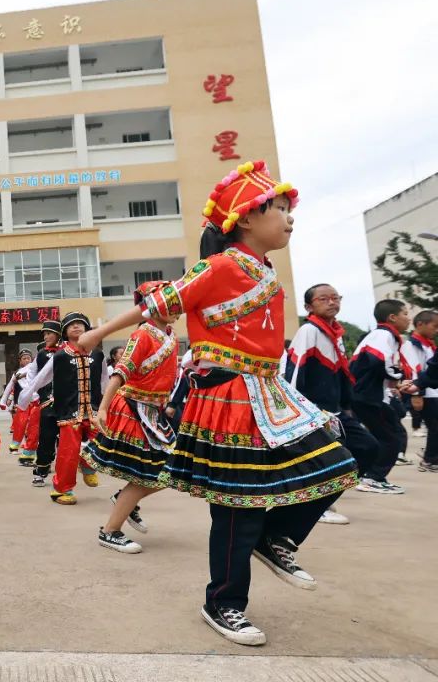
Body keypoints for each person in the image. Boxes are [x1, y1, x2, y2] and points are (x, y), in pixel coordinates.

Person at [77, 161, 356, 647]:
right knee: (236, 508)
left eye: (291, 211)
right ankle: (224, 603)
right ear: (246, 219)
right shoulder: (220, 266)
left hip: (270, 392)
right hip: (228, 397)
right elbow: (157, 304)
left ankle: (277, 540)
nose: (290, 219)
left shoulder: (264, 270)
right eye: (280, 209)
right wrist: (99, 333)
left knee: (341, 462)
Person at [83, 283, 179, 552]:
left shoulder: (169, 334)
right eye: (169, 301)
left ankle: (122, 499)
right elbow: (120, 372)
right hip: (133, 410)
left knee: (173, 469)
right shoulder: (143, 335)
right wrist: (103, 407)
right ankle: (110, 531)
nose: (176, 306)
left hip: (153, 413)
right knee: (150, 473)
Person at [284, 284, 380, 524]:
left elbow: (340, 375)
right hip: (314, 412)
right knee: (325, 461)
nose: (331, 302)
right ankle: (316, 506)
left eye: (335, 298)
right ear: (309, 306)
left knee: (367, 447)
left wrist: (347, 405)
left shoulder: (334, 334)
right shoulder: (309, 331)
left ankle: (320, 501)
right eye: (323, 299)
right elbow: (294, 372)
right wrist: (299, 411)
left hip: (334, 411)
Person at [18, 312, 100, 504]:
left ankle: (88, 466)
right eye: (72, 325)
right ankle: (62, 490)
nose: (77, 327)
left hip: (94, 409)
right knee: (67, 452)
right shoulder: (60, 355)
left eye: (81, 323)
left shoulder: (97, 353)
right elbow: (40, 378)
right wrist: (26, 398)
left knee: (100, 443)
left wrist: (108, 403)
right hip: (68, 411)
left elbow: (104, 380)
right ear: (64, 331)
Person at [348, 299, 411, 494]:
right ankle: (372, 477)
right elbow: (379, 361)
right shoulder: (383, 335)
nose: (408, 319)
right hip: (366, 396)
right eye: (405, 314)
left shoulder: (383, 335)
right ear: (392, 317)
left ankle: (368, 475)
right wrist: (399, 376)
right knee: (391, 437)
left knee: (389, 435)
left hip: (368, 395)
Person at [24, 322, 62, 477]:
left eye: (49, 333)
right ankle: (42, 468)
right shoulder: (41, 355)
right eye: (44, 334)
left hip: (68, 402)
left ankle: (64, 471)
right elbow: (31, 375)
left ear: (59, 334)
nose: (46, 337)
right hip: (47, 401)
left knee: (68, 438)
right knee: (46, 436)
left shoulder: (68, 351)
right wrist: (35, 395)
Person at [402, 309, 438, 472]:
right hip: (424, 392)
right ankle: (430, 459)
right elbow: (413, 370)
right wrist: (417, 394)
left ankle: (431, 456)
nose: (436, 330)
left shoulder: (428, 344)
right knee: (435, 426)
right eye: (434, 326)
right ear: (420, 324)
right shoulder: (411, 345)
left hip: (432, 392)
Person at [0, 349, 35, 454]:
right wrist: (3, 401)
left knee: (33, 426)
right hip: (22, 404)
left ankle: (30, 446)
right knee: (20, 425)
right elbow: (9, 388)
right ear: (20, 361)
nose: (27, 360)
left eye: (28, 358)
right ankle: (14, 447)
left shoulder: (35, 370)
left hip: (35, 402)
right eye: (24, 358)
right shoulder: (16, 373)